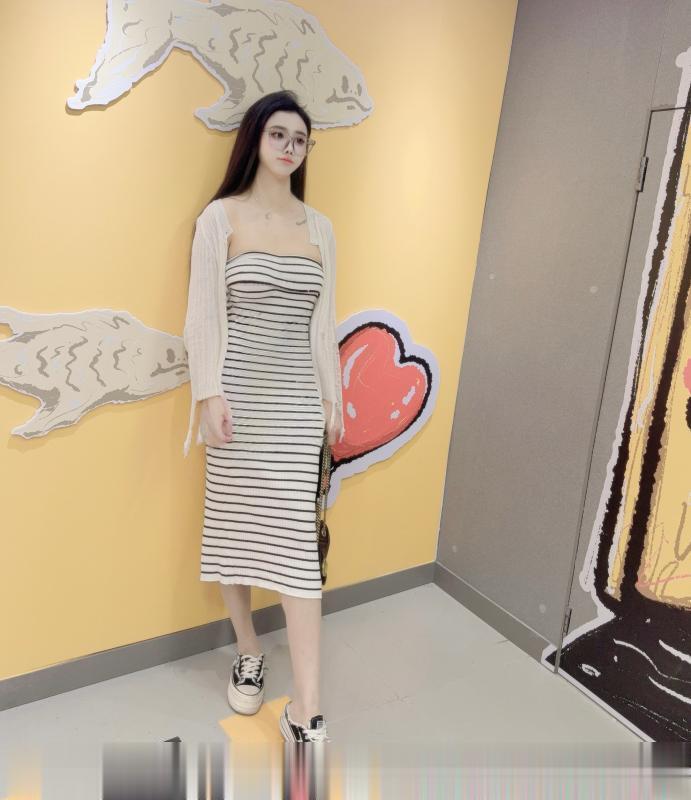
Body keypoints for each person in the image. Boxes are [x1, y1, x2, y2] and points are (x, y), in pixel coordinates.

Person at [182, 90, 344, 743]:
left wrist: (332, 401)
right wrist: (208, 395)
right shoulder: (219, 218)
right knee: (233, 533)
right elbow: (201, 315)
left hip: (297, 408)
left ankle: (307, 707)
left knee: (298, 551)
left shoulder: (320, 227)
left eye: (299, 139)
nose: (288, 147)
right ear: (255, 138)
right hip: (236, 405)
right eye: (278, 134)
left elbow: (323, 323)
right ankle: (248, 650)